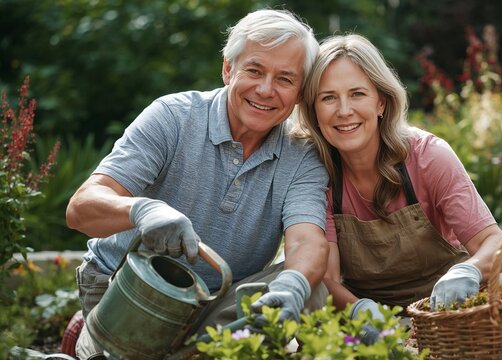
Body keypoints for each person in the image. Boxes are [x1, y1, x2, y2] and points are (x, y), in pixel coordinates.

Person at [66, 9, 329, 359]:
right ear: (227, 70)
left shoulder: (302, 154)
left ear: (299, 92)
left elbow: (307, 240)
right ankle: (88, 338)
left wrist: (294, 285)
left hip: (214, 305)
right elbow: (80, 210)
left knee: (311, 287)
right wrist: (142, 210)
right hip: (128, 293)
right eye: (254, 70)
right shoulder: (173, 117)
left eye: (285, 79)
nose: (265, 90)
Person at [294, 34, 502, 342]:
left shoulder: (427, 156)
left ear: (381, 102)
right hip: (370, 315)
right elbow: (326, 278)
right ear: (314, 109)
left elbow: (496, 245)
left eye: (357, 94)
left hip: (449, 305)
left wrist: (469, 271)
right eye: (328, 97)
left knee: (499, 281)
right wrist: (361, 312)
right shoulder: (318, 173)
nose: (344, 111)